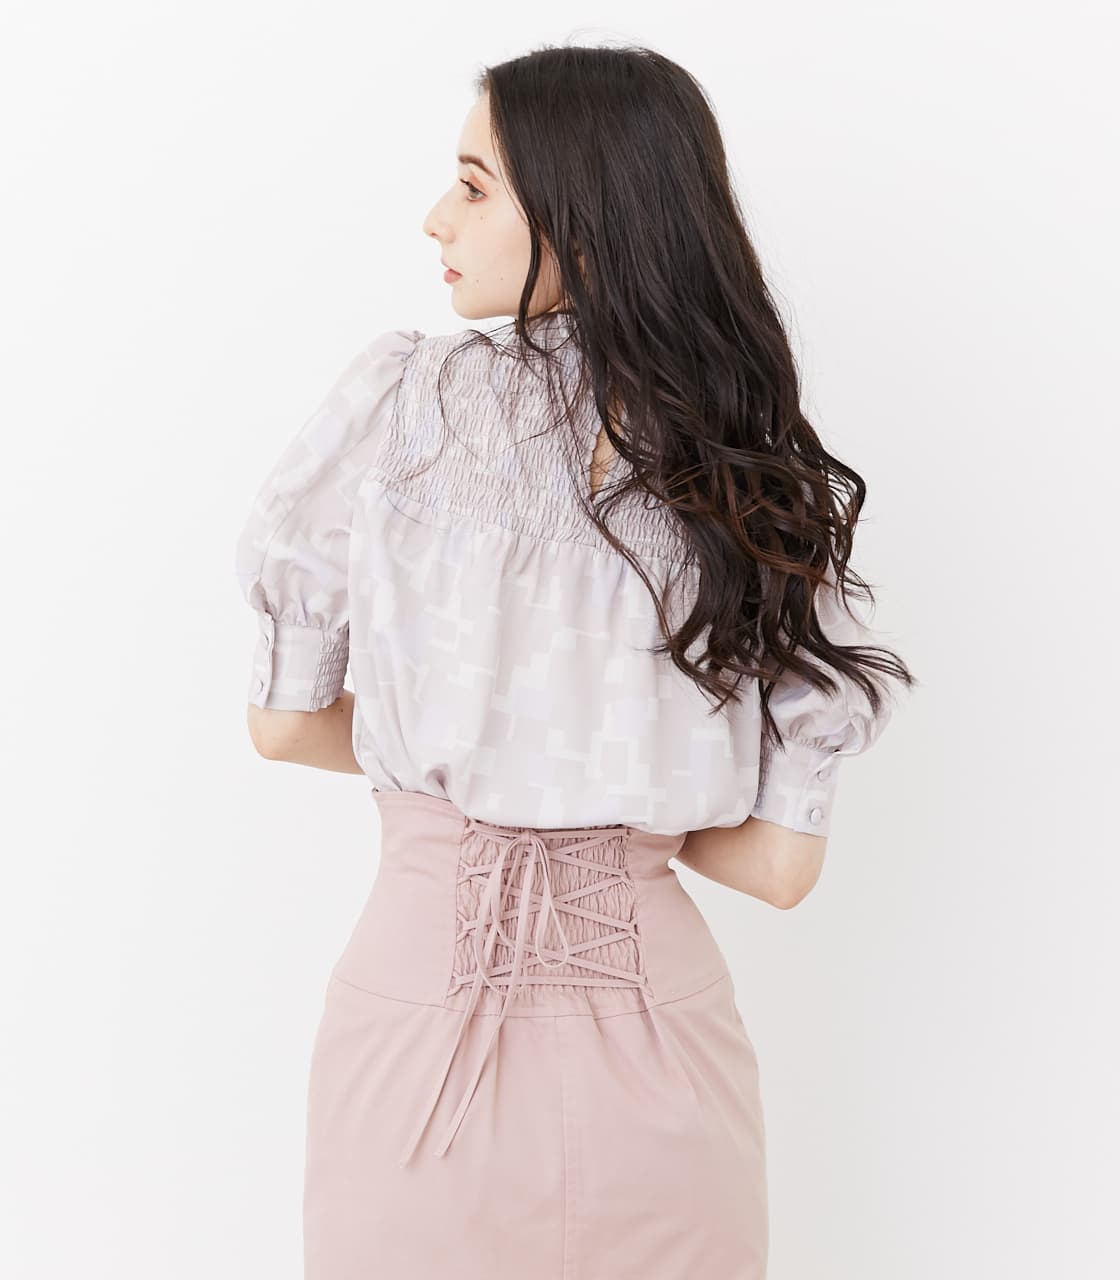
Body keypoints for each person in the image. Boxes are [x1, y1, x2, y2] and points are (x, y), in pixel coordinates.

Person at [234, 43, 916, 1280]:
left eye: (473, 186)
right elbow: (777, 868)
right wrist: (618, 809)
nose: (435, 217)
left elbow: (285, 726)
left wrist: (465, 781)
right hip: (665, 1068)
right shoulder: (745, 465)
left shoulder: (398, 409)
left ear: (583, 221)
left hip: (417, 1039)